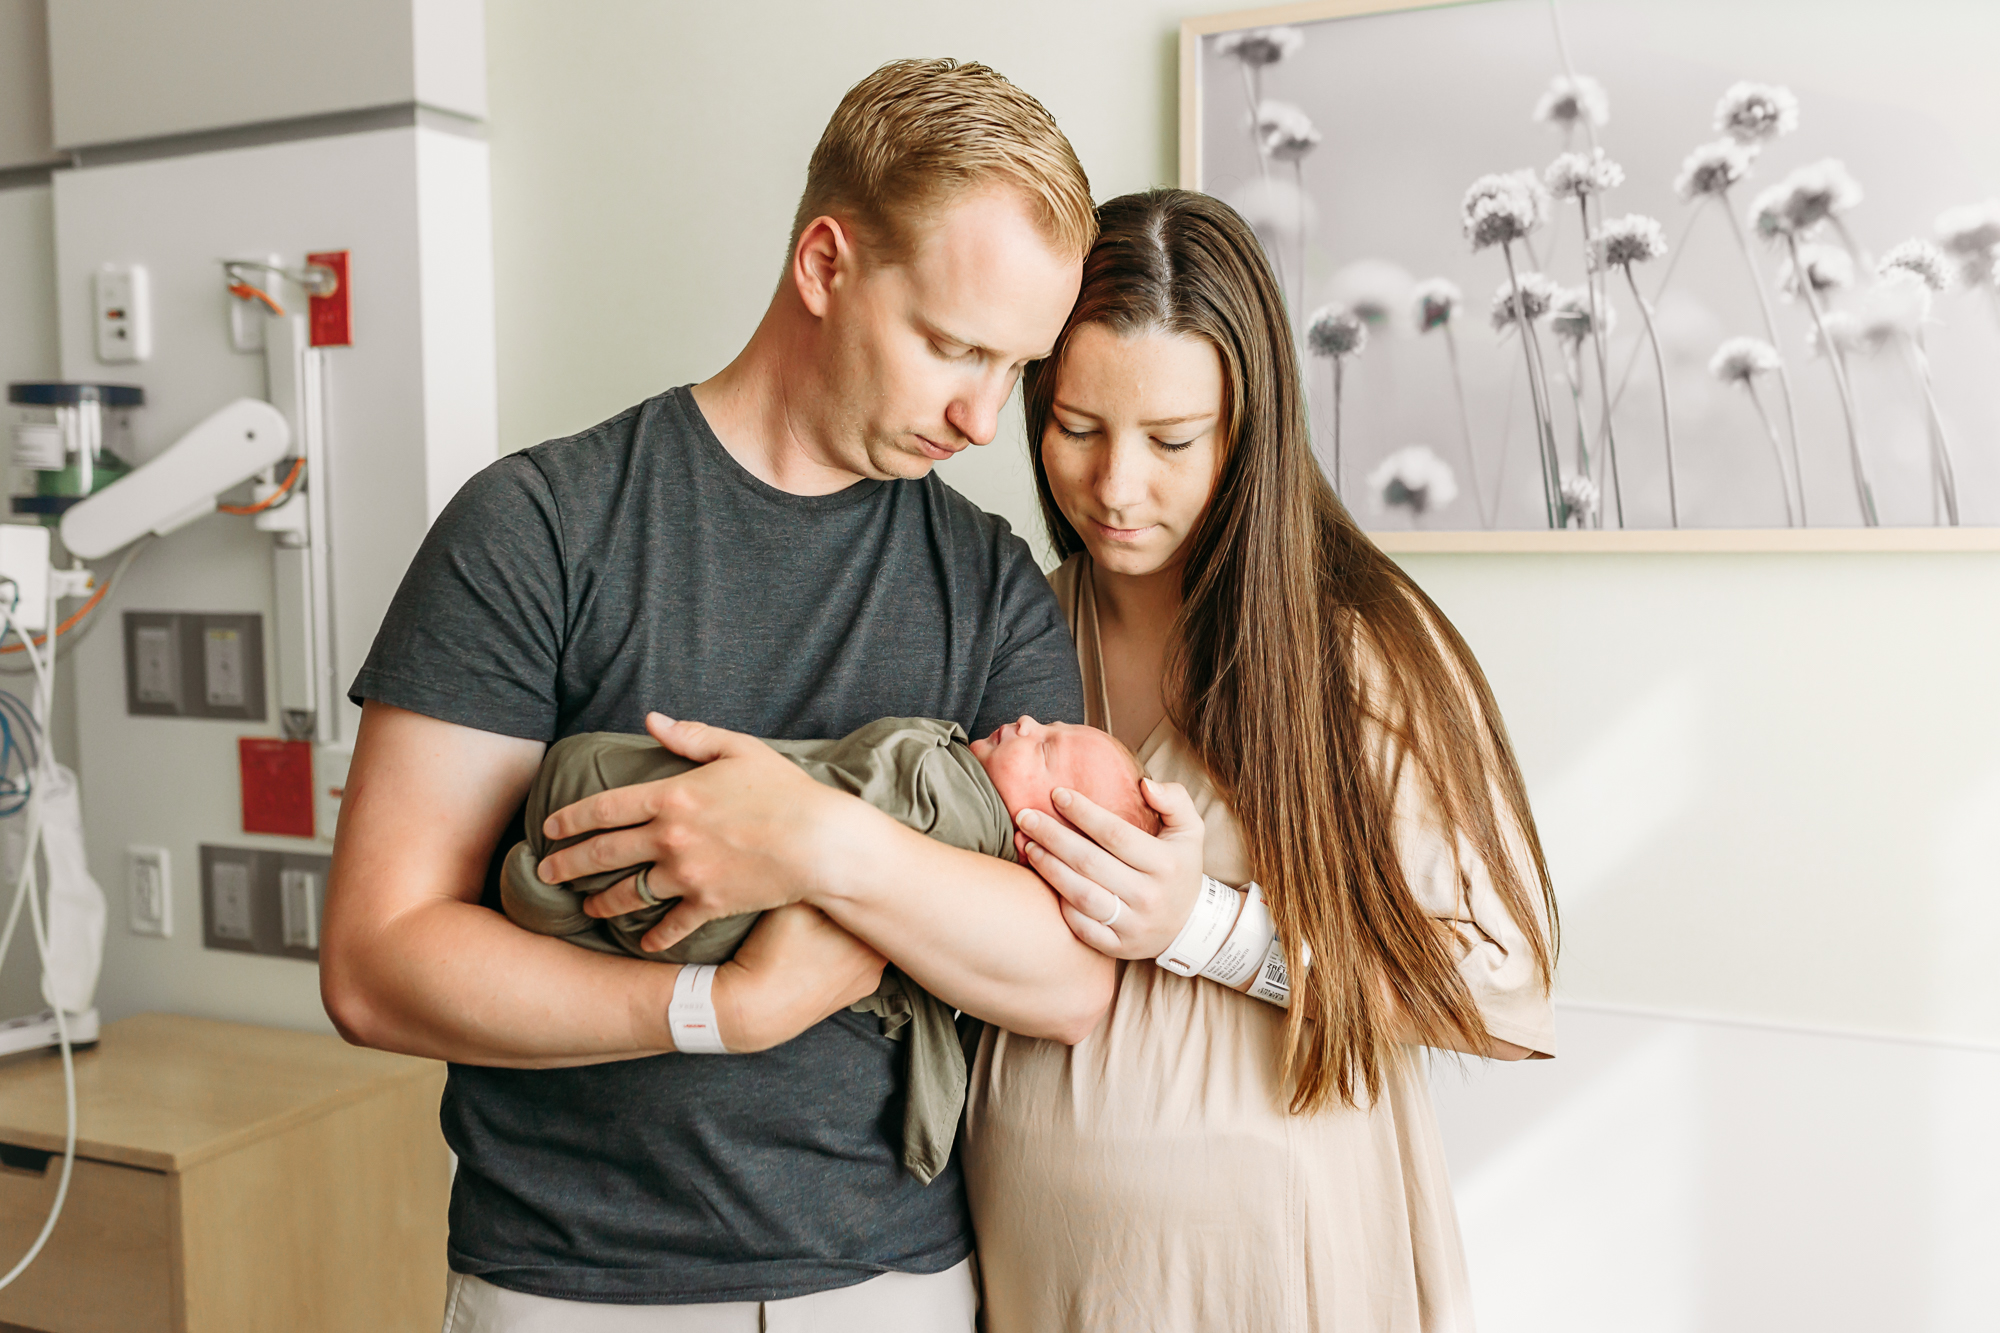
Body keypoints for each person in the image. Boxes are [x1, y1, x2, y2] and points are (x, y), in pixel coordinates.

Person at [321, 60, 1111, 1330]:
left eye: (1013, 366)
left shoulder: (990, 582)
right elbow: (375, 964)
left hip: (895, 1289)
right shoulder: (537, 528)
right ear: (824, 264)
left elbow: (1066, 978)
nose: (980, 417)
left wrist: (815, 839)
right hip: (574, 1289)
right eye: (954, 346)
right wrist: (719, 1010)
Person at [960, 189, 1561, 1331]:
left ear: (1248, 432)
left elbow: (1501, 985)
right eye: (1077, 427)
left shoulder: (1355, 647)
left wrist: (1205, 928)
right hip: (1030, 1276)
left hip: (1277, 1275)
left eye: (1171, 441)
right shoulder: (1012, 628)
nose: (1115, 485)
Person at [499, 714, 1155, 1188]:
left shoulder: (968, 805)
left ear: (1047, 845)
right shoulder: (949, 778)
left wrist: (735, 1007)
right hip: (576, 1205)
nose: (1028, 722)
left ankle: (561, 896)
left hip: (883, 1248)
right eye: (1048, 728)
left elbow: (1077, 993)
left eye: (1047, 749)